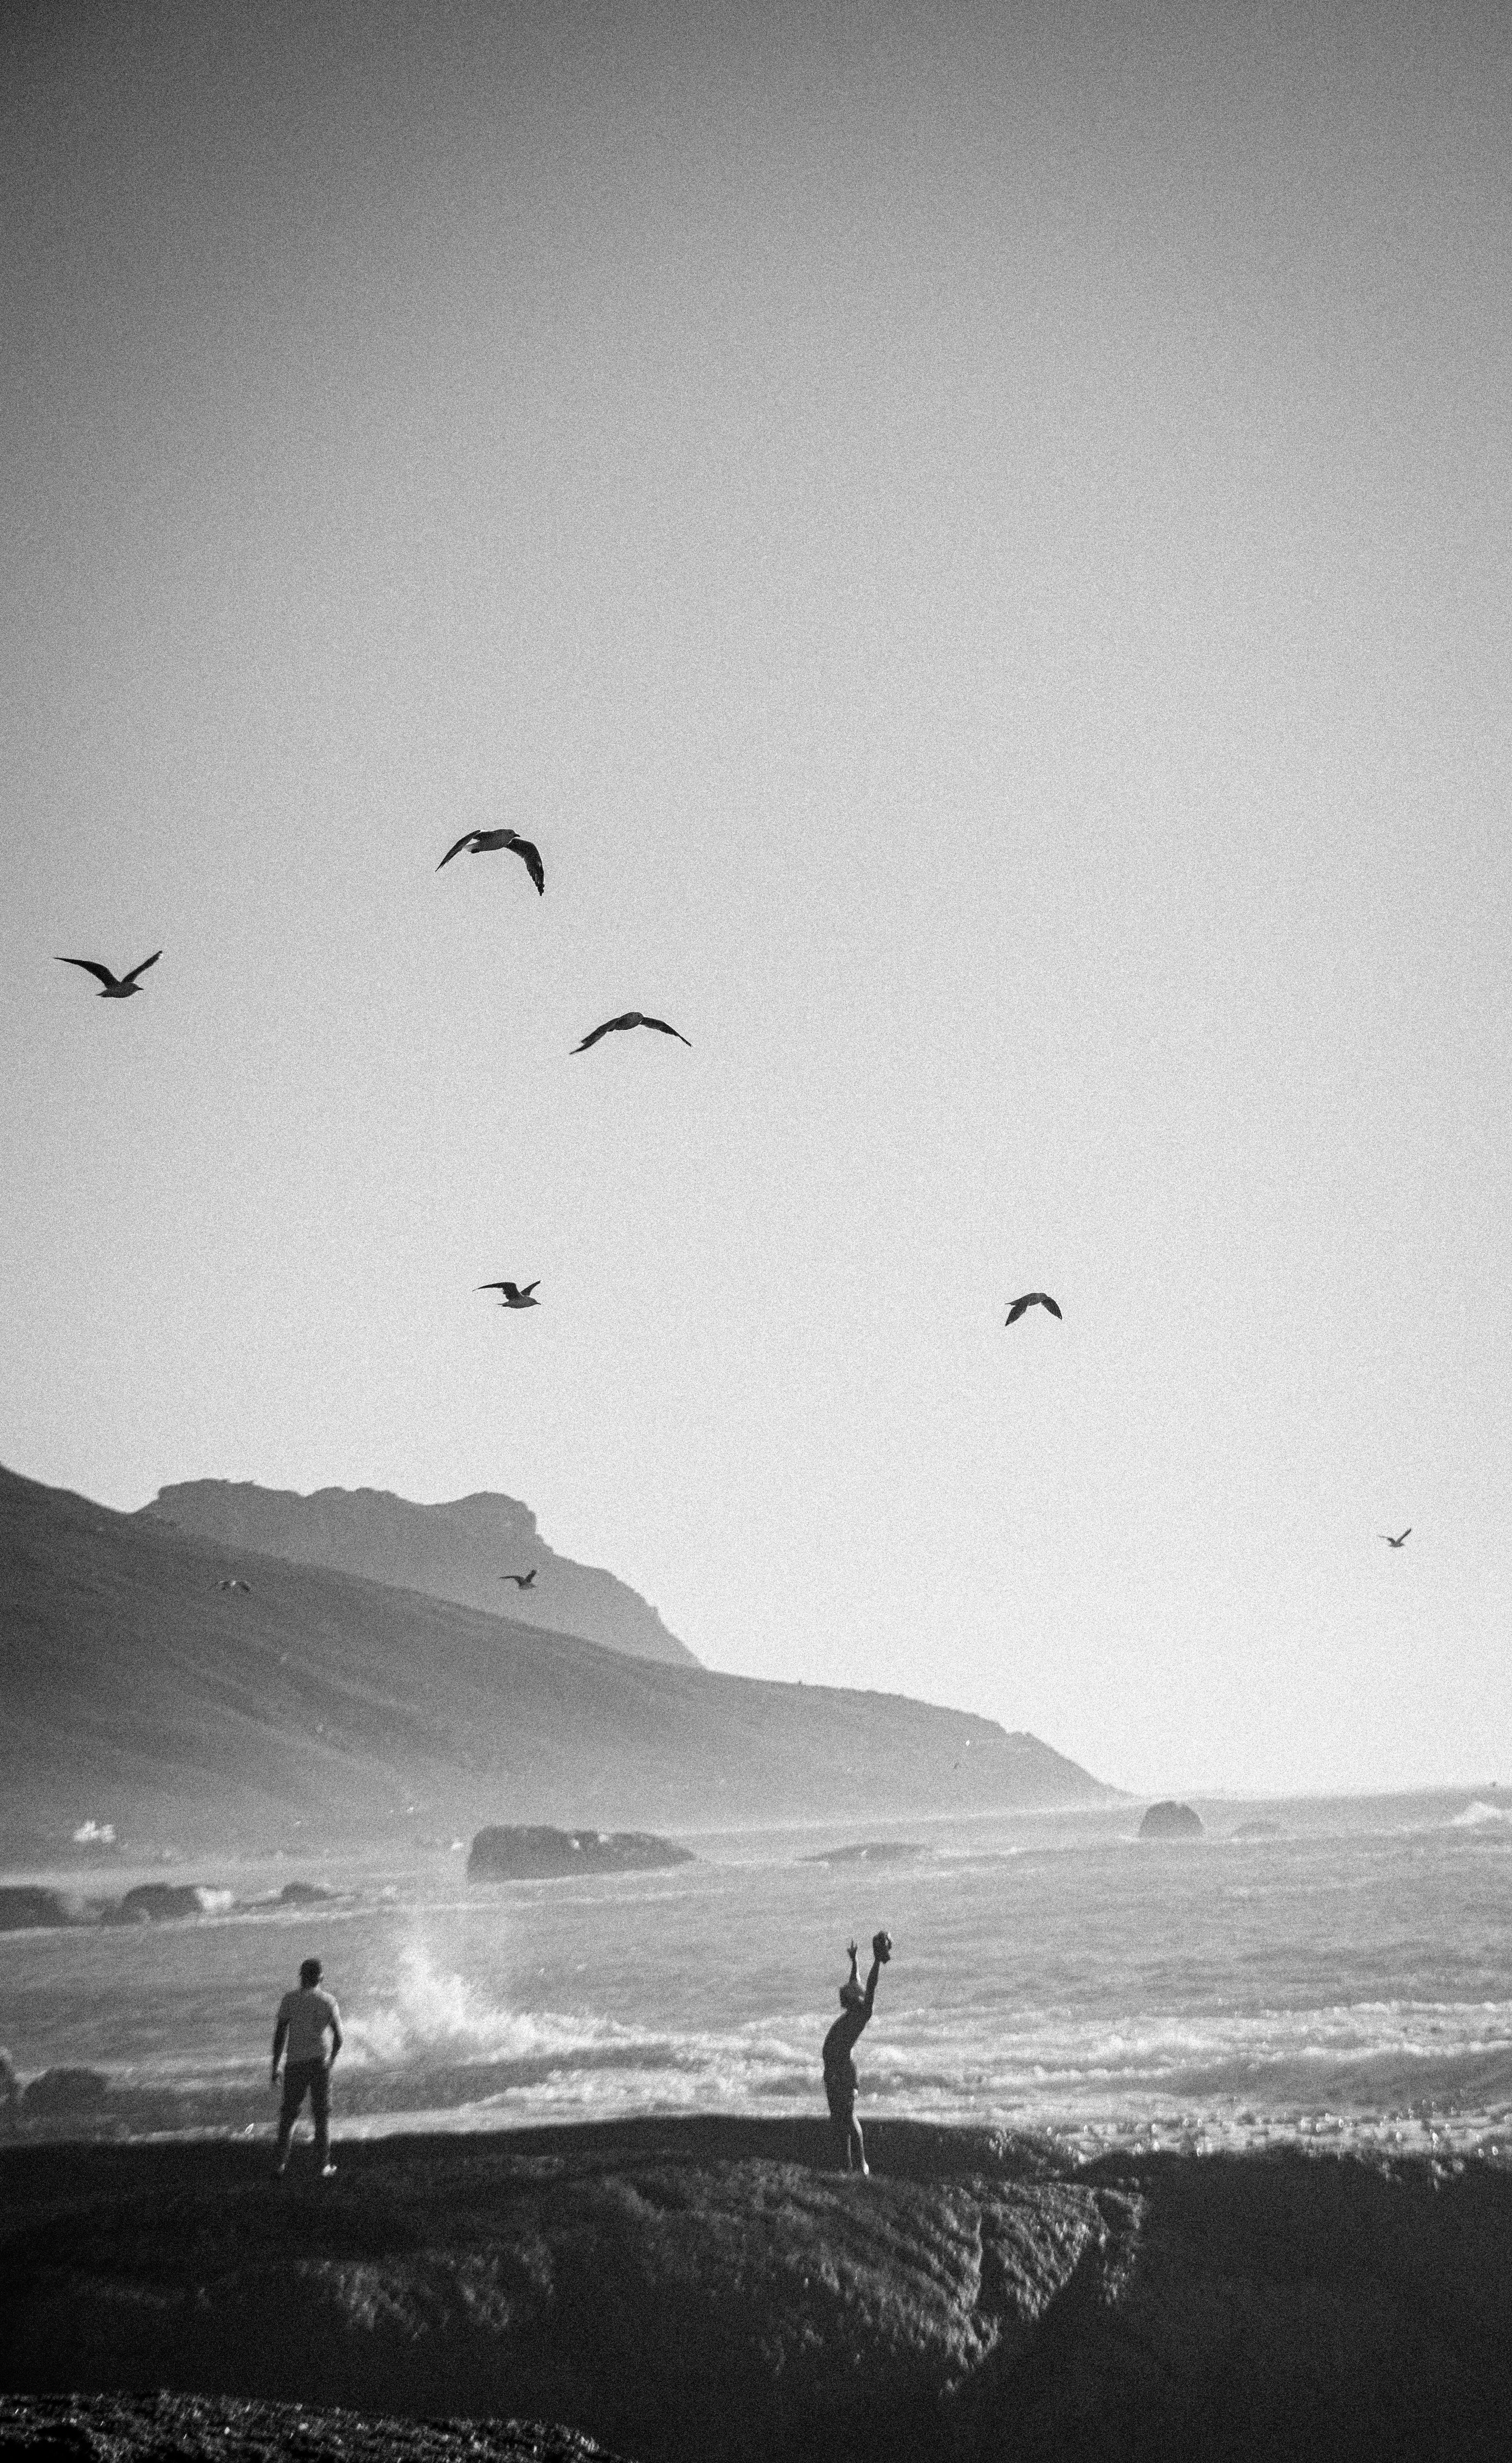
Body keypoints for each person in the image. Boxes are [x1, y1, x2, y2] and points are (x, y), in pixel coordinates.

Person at [822, 1929, 890, 2173]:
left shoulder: (861, 2016)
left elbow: (869, 1987)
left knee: (849, 2118)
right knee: (838, 2120)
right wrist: (855, 1961)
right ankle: (845, 2164)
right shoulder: (851, 2015)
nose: (845, 1994)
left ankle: (861, 2164)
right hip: (833, 2071)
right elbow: (858, 1982)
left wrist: (875, 1962)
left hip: (844, 2072)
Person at [271, 1956, 343, 2177]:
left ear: (301, 1976)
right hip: (319, 2062)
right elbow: (339, 2038)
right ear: (321, 1977)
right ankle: (323, 2166)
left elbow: (280, 2035)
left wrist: (275, 2065)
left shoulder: (289, 2000)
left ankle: (280, 2164)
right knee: (321, 2116)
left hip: (295, 2063)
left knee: (289, 2114)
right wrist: (331, 2060)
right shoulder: (328, 2001)